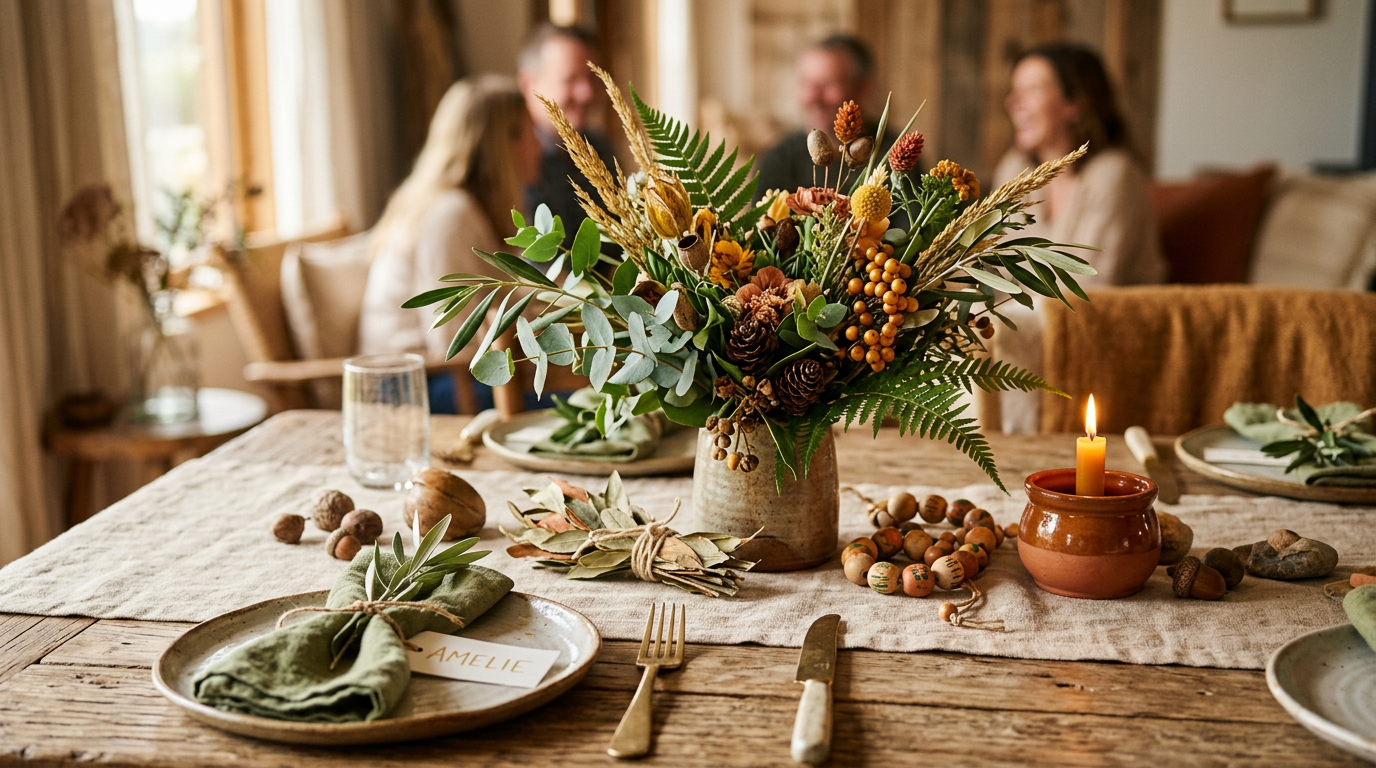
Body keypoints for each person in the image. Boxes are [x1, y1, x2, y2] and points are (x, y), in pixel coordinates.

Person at [989, 44, 1167, 433]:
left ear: (1076, 103)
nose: (1012, 101)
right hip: (1030, 336)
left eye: (1033, 88)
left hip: (1107, 341)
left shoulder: (1114, 174)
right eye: (1014, 89)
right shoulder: (1015, 168)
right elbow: (995, 274)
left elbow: (1087, 290)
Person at [359, 75, 540, 410]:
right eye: (531, 130)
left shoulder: (470, 209)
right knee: (582, 404)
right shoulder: (450, 215)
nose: (540, 144)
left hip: (442, 376)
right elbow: (453, 340)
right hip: (413, 387)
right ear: (504, 143)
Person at [754, 35, 897, 198]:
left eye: (828, 84)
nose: (812, 97)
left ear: (863, 91)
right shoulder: (778, 161)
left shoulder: (896, 157)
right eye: (806, 83)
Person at [518, 24, 616, 235]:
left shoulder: (600, 148)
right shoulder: (511, 155)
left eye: (592, 78)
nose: (587, 93)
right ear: (528, 84)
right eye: (570, 79)